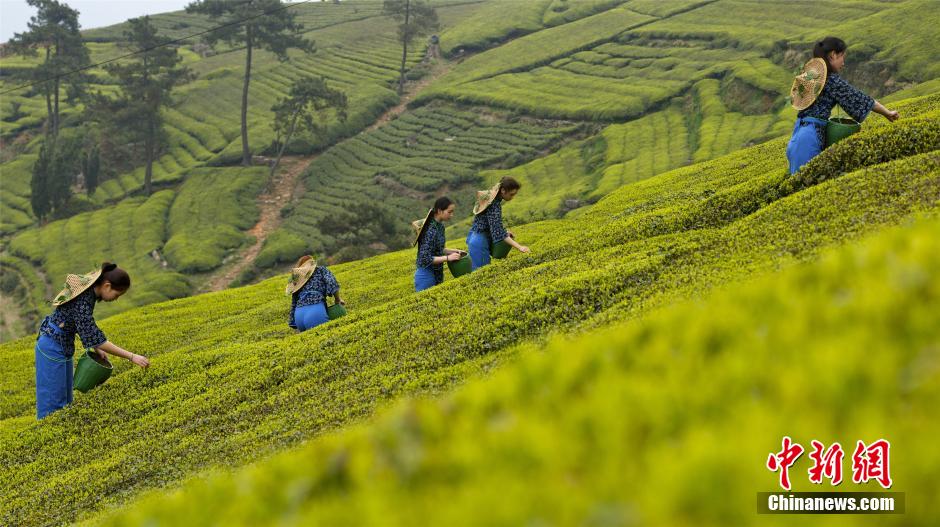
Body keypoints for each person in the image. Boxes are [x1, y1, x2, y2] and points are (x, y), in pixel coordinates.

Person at [35, 262, 150, 419]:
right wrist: (132, 356)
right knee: (52, 407)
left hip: (60, 346)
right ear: (107, 286)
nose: (115, 299)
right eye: (117, 295)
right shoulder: (84, 299)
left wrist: (97, 348)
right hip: (52, 347)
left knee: (65, 401)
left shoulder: (89, 295)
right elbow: (94, 336)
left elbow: (84, 327)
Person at [787, 36, 900, 174]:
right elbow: (860, 99)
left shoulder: (813, 76)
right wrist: (887, 113)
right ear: (833, 55)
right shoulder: (831, 80)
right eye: (842, 57)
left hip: (798, 135)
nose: (843, 63)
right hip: (808, 139)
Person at [466, 176, 530, 270]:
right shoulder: (494, 205)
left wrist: (505, 232)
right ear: (503, 190)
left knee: (480, 272)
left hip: (474, 237)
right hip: (480, 241)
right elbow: (499, 233)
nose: (512, 197)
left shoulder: (492, 201)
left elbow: (493, 226)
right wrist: (520, 247)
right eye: (511, 194)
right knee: (482, 274)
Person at [412, 197, 465, 292]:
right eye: (449, 212)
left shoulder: (440, 226)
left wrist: (454, 251)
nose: (452, 215)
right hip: (426, 275)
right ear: (440, 211)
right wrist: (448, 258)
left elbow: (439, 248)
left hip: (437, 272)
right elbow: (425, 258)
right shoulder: (430, 230)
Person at [287, 255, 343, 332]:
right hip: (315, 312)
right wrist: (337, 299)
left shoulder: (299, 279)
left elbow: (294, 301)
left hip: (299, 315)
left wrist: (293, 321)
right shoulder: (321, 270)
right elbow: (331, 282)